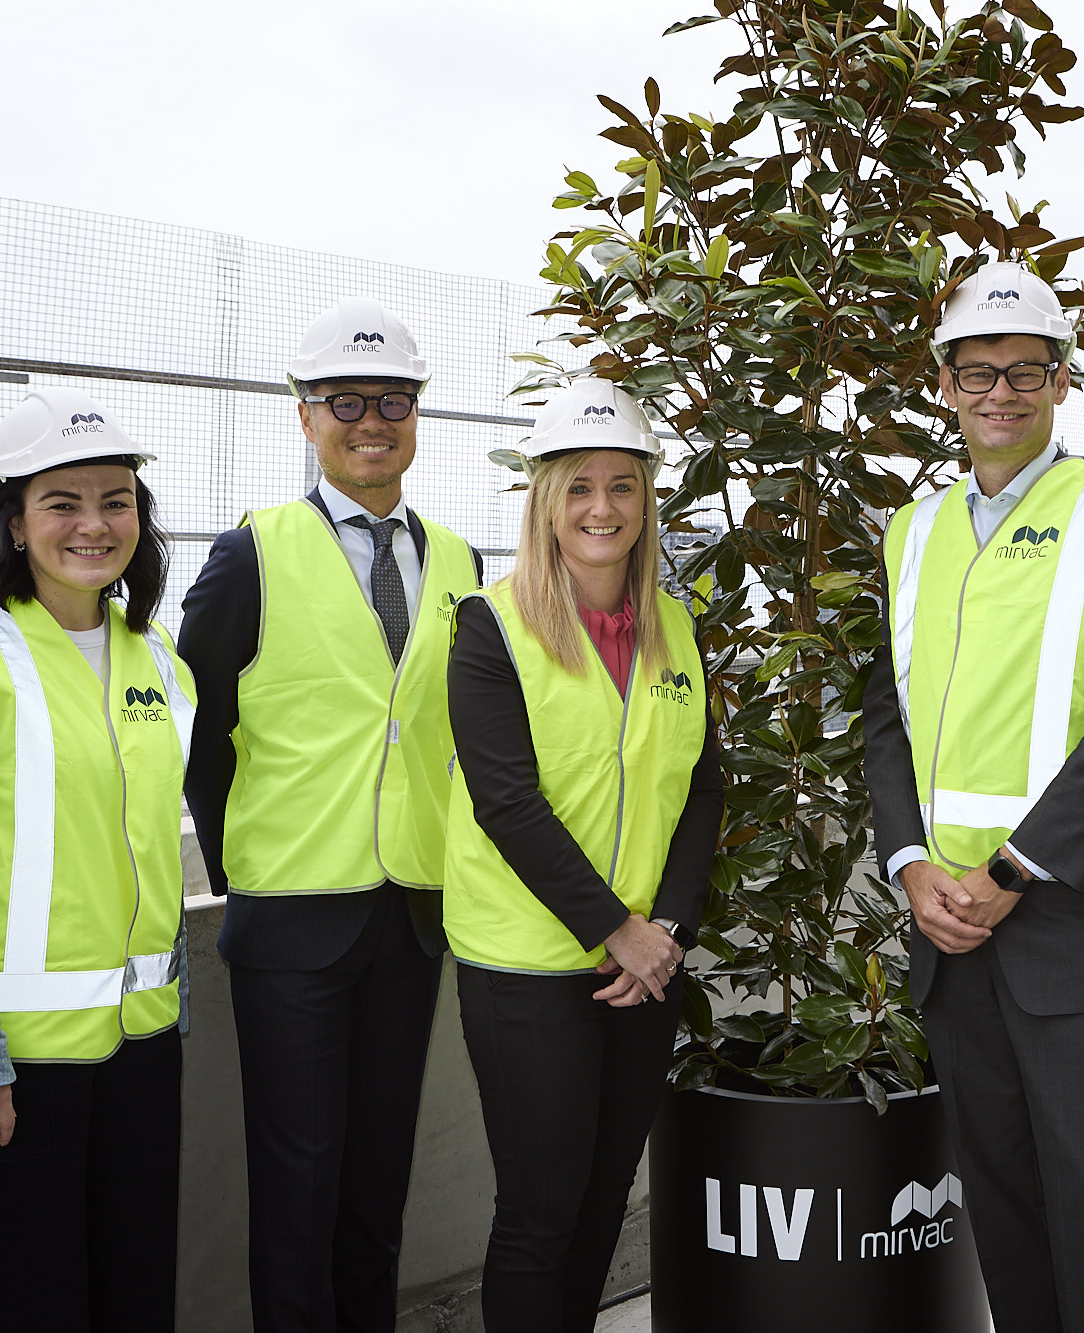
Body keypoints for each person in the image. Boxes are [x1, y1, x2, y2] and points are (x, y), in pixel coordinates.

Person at [863, 261, 1084, 1333]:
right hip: (946, 934)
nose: (999, 392)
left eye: (1024, 371)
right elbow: (889, 720)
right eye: (975, 373)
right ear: (944, 386)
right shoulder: (908, 533)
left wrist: (1007, 872)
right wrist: (911, 866)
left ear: (1059, 381)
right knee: (995, 1195)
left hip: (1071, 921)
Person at [177, 298, 483, 1332]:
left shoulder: (456, 558)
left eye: (391, 399)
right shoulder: (251, 553)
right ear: (303, 417)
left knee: (376, 1177)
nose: (370, 419)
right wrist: (243, 868)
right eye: (343, 400)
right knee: (298, 1184)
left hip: (411, 910)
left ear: (416, 415)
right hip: (293, 917)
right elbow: (197, 730)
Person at [0, 388, 194, 1332]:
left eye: (117, 500)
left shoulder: (156, 658)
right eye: (63, 502)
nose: (95, 525)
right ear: (13, 519)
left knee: (128, 1306)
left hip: (135, 1056)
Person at [445, 379, 720, 1331]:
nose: (601, 508)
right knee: (539, 1213)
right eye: (578, 487)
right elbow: (506, 802)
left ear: (647, 501)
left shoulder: (674, 629)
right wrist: (614, 928)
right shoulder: (489, 625)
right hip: (528, 968)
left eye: (623, 485)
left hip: (645, 964)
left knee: (606, 1202)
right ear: (544, 502)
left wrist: (664, 930)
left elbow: (700, 790)